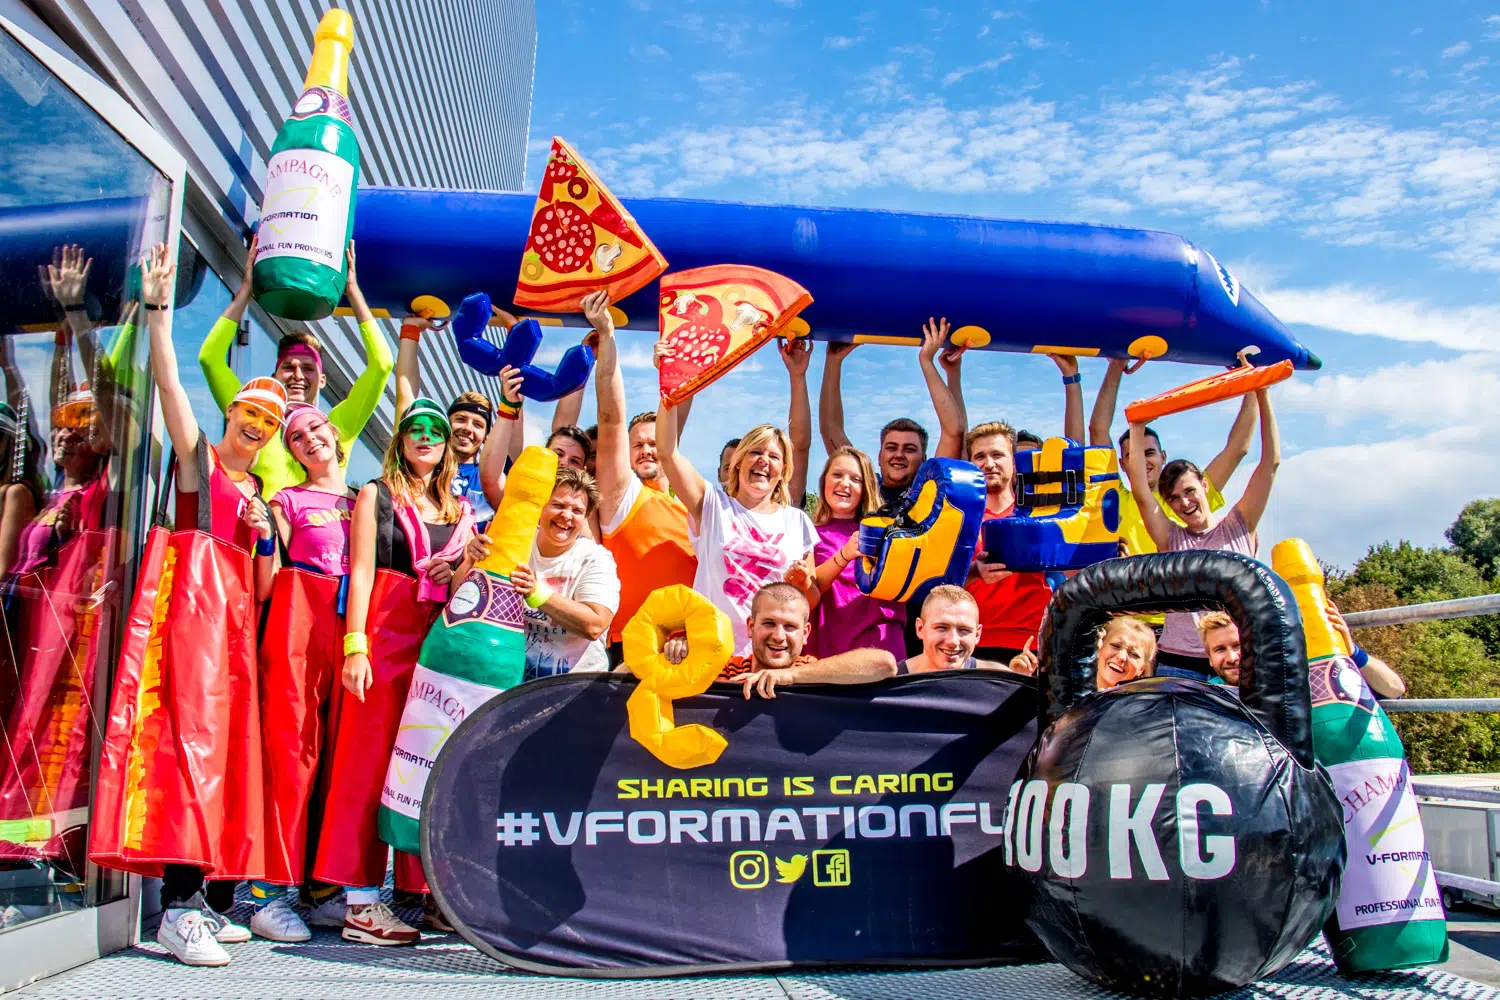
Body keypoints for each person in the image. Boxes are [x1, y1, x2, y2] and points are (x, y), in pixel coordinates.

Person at [122, 243, 285, 966]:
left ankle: (210, 900)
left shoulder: (258, 495)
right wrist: (160, 316)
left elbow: (268, 584)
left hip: (235, 633)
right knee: (189, 749)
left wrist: (265, 535)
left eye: (269, 420)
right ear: (231, 410)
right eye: (250, 410)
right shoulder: (201, 462)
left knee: (227, 757)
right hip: (193, 621)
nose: (258, 423)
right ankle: (177, 906)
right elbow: (170, 391)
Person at [313, 397, 483, 945]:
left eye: (435, 429)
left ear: (448, 443)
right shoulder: (375, 493)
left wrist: (462, 565)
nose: (426, 436)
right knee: (364, 767)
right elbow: (361, 571)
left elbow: (464, 587)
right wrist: (356, 647)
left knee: (427, 763)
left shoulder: (460, 510)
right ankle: (360, 903)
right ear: (401, 439)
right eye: (416, 428)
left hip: (435, 643)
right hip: (384, 634)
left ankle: (427, 894)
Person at [246, 404, 357, 943]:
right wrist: (266, 536)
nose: (309, 439)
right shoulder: (285, 501)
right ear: (290, 451)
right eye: (295, 437)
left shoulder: (365, 500)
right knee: (292, 755)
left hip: (354, 629)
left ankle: (322, 889)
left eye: (315, 429)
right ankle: (266, 894)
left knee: (340, 761)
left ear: (334, 434)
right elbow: (266, 584)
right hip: (300, 622)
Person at [198, 238, 391, 498]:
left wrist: (353, 291)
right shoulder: (258, 421)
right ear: (275, 376)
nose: (298, 375)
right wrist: (245, 291)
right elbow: (210, 358)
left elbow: (382, 365)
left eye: (308, 368)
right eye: (289, 367)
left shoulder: (335, 427)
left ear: (322, 380)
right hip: (262, 526)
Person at [656, 370, 818, 656]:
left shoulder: (797, 522)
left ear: (783, 471)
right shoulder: (711, 505)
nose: (764, 461)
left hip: (770, 659)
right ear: (739, 463)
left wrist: (803, 582)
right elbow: (668, 453)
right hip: (710, 653)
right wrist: (668, 387)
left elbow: (810, 599)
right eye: (755, 452)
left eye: (774, 456)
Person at [1124, 388, 1279, 681]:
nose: (1185, 503)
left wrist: (1262, 392)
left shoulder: (1240, 523)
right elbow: (1141, 492)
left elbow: (1270, 463)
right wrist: (1137, 426)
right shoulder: (1172, 538)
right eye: (1174, 498)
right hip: (1181, 663)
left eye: (1190, 491)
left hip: (1238, 655)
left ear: (1204, 486)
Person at [586, 291, 697, 664]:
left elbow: (673, 432)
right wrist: (607, 337)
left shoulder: (695, 507)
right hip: (631, 651)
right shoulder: (624, 498)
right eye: (637, 445)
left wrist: (675, 371)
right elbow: (611, 419)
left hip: (697, 649)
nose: (647, 450)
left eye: (654, 443)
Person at [1090, 357, 1258, 556]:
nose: (1143, 461)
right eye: (1133, 455)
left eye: (1149, 453)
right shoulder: (1117, 497)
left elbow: (1237, 449)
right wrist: (1115, 367)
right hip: (1132, 576)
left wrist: (1254, 384)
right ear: (1123, 464)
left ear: (1163, 456)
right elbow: (1098, 431)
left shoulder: (1191, 493)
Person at [818, 318, 966, 505]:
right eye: (891, 447)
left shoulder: (930, 489)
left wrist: (927, 362)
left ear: (924, 460)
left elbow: (954, 431)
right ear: (879, 456)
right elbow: (830, 430)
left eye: (909, 449)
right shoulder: (866, 489)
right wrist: (833, 361)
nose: (899, 454)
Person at [506, 467, 620, 681]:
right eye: (558, 505)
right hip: (514, 682)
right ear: (541, 506)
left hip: (575, 688)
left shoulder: (596, 559)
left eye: (577, 511)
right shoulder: (517, 542)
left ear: (585, 517)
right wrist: (472, 560)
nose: (566, 516)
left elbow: (595, 624)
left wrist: (537, 593)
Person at [805, 447, 906, 660]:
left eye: (855, 479)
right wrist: (844, 555)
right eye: (837, 474)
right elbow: (807, 587)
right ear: (824, 481)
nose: (845, 483)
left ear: (866, 487)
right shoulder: (808, 532)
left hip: (880, 640)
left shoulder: (888, 531)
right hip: (826, 643)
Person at [963, 422, 1051, 662]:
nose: (988, 463)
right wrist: (975, 572)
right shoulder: (957, 519)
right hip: (971, 643)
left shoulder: (1041, 514)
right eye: (980, 456)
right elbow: (936, 584)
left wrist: (1105, 551)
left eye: (997, 454)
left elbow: (1073, 569)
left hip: (1033, 644)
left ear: (1014, 461)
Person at [718, 582, 897, 698]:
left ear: (805, 634)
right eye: (769, 623)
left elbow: (885, 664)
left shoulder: (813, 673)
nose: (779, 636)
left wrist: (790, 676)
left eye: (790, 626)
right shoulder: (727, 672)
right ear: (751, 627)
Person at [1007, 616, 1156, 689]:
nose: (1122, 657)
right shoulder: (1062, 688)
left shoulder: (1142, 711)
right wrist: (1020, 679)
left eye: (1134, 654)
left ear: (1142, 669)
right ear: (1099, 647)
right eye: (1116, 646)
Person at [900, 585, 1011, 673]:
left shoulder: (998, 680)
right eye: (941, 628)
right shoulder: (892, 682)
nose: (953, 641)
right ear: (920, 628)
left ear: (977, 634)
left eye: (964, 630)